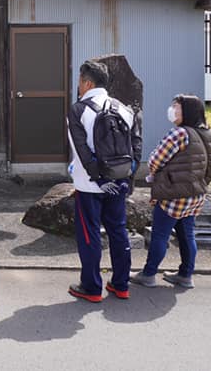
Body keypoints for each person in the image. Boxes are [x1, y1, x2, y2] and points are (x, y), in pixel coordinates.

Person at [66, 60, 141, 302]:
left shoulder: (79, 110)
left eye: (79, 81)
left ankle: (91, 286)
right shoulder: (124, 109)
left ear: (87, 83)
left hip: (89, 185)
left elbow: (80, 151)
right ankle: (121, 284)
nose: (78, 86)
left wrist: (97, 176)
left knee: (90, 235)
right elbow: (136, 145)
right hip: (118, 181)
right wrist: (127, 173)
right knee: (118, 231)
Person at [132, 95, 211, 289]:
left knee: (160, 235)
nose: (172, 110)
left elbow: (154, 161)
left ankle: (149, 274)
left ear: (187, 111)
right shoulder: (205, 133)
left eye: (176, 107)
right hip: (195, 193)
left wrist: (154, 173)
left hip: (173, 194)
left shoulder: (179, 134)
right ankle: (185, 275)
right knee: (187, 235)